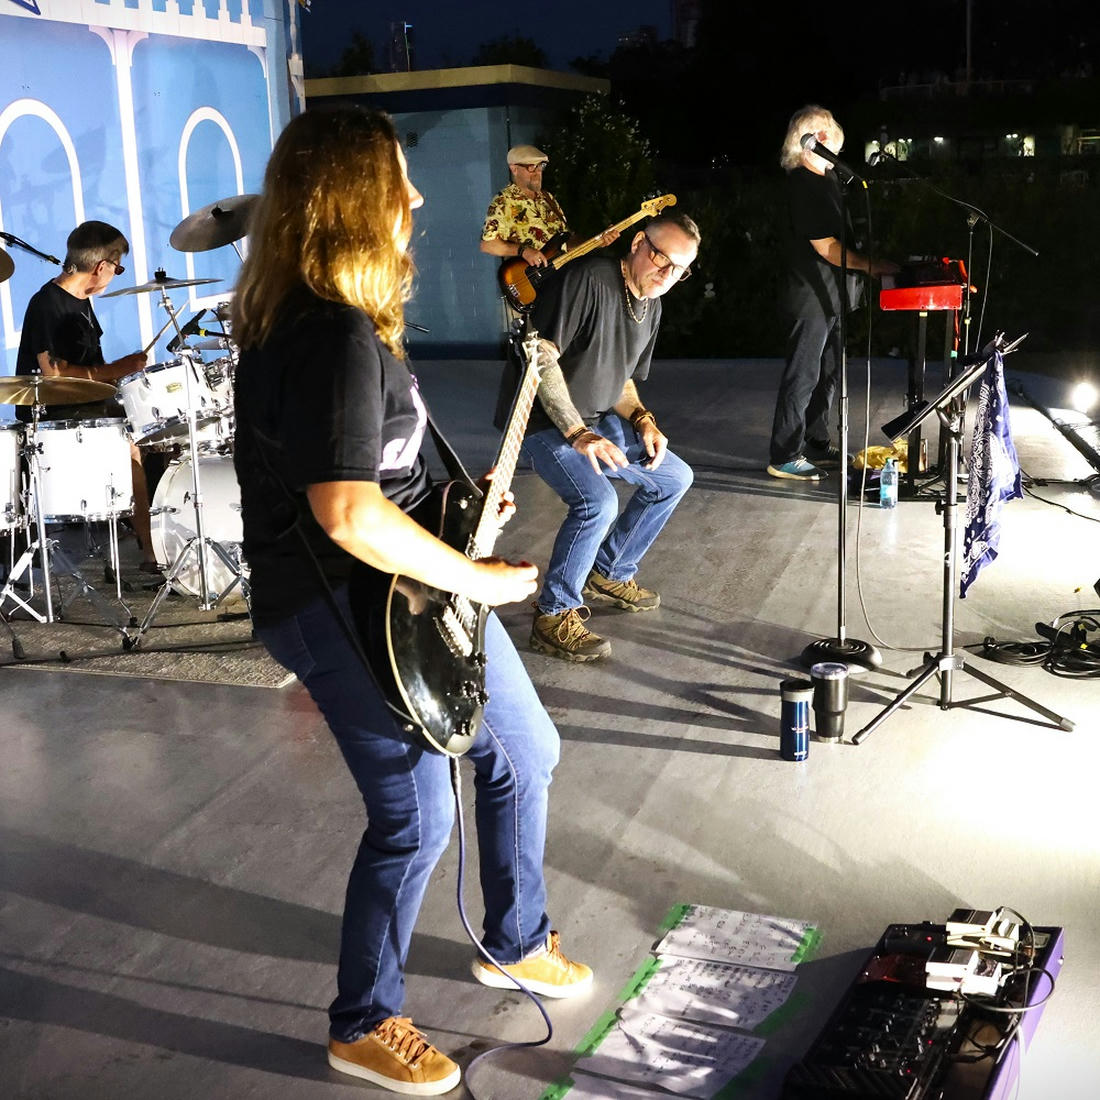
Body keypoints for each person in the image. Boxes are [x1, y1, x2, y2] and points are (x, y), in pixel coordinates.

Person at [231, 107, 592, 1097]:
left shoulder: (342, 324)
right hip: (340, 607)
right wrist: (479, 579)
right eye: (401, 178)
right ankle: (362, 1022)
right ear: (356, 198)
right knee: (416, 820)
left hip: (408, 583)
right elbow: (345, 510)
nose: (419, 198)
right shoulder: (325, 331)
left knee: (524, 750)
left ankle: (513, 939)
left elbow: (378, 476)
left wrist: (457, 507)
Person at [519, 212, 700, 663]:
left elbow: (621, 380)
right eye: (662, 259)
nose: (668, 275)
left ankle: (610, 570)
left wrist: (642, 419)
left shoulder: (651, 305)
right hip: (543, 422)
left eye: (680, 269)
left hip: (596, 420)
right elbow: (541, 358)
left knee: (674, 477)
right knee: (597, 502)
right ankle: (553, 615)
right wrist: (578, 432)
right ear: (638, 243)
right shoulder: (589, 280)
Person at [767, 105, 898, 481]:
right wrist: (870, 265)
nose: (837, 154)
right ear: (817, 139)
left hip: (832, 294)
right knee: (803, 374)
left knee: (827, 372)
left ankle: (815, 441)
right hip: (810, 295)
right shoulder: (802, 184)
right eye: (834, 147)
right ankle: (784, 453)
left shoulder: (826, 180)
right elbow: (825, 247)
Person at [15, 220, 156, 567]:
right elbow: (54, 372)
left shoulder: (82, 302)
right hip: (56, 413)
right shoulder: (47, 303)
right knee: (132, 449)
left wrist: (126, 381)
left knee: (157, 430)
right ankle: (151, 550)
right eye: (117, 268)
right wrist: (119, 368)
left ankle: (151, 537)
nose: (114, 276)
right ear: (101, 266)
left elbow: (94, 364)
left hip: (88, 403)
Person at [479, 144, 617, 272]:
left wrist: (598, 241)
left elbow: (566, 242)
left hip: (564, 272)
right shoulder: (504, 201)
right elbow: (487, 245)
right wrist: (523, 251)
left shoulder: (547, 198)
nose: (538, 172)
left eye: (540, 166)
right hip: (532, 278)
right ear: (514, 169)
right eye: (531, 167)